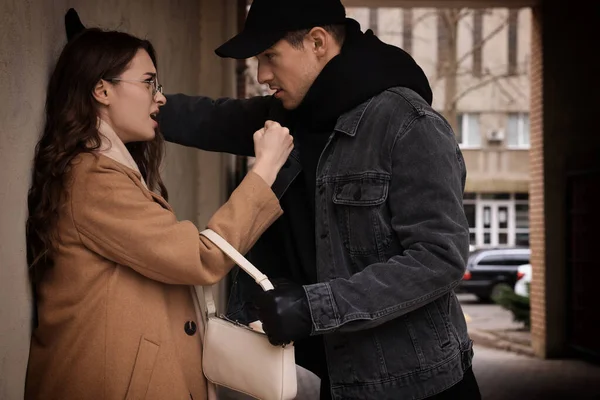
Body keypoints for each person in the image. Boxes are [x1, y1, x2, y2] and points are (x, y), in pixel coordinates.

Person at [67, 2, 481, 398]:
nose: (261, 73)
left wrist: (314, 306)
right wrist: (103, 71)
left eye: (270, 55)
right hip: (340, 378)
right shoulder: (297, 109)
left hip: (417, 383)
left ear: (318, 43)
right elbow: (209, 118)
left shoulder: (409, 125)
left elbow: (438, 258)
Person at [24, 26, 293, 400]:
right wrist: (264, 171)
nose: (160, 97)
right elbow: (204, 257)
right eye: (149, 83)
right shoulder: (93, 178)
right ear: (101, 90)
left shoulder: (104, 171)